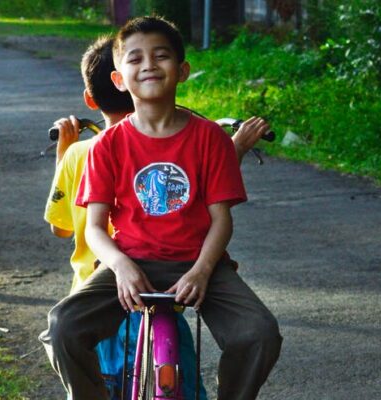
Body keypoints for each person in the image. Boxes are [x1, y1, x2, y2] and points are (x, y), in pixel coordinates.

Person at [42, 18, 280, 399]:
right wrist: (120, 267)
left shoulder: (211, 139)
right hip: (131, 261)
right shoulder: (107, 146)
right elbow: (95, 229)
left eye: (161, 55)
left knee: (259, 334)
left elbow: (221, 219)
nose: (149, 65)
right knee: (62, 328)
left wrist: (202, 271)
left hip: (200, 263)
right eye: (135, 59)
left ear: (182, 70)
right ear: (120, 79)